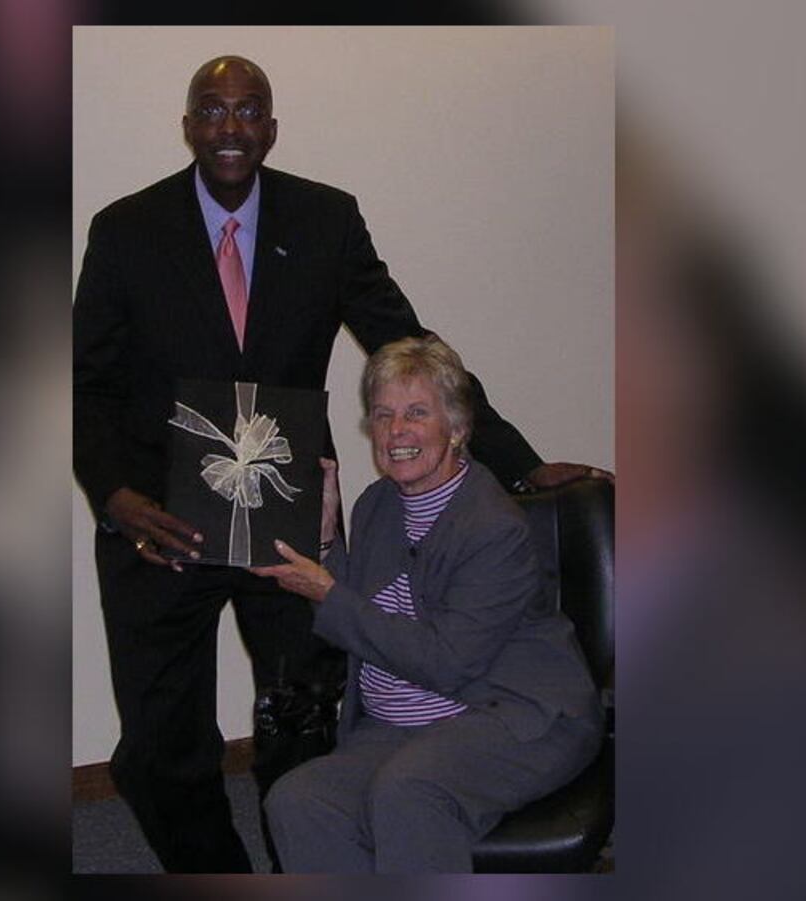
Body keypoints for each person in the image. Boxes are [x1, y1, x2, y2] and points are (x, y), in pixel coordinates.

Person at [71, 54, 608, 873]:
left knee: (304, 720)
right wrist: (115, 495)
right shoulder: (124, 230)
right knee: (161, 744)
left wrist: (520, 461)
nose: (230, 127)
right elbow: (85, 381)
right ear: (187, 127)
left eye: (249, 111)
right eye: (211, 111)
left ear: (272, 128)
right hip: (163, 519)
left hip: (293, 517)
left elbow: (408, 341)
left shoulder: (326, 220)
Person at [252, 336, 603, 873]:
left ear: (458, 428)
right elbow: (366, 614)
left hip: (513, 714)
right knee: (299, 801)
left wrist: (326, 592)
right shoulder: (377, 505)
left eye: (417, 413)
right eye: (384, 414)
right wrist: (325, 542)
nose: (396, 432)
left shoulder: (492, 526)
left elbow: (446, 660)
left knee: (411, 790)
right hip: (403, 726)